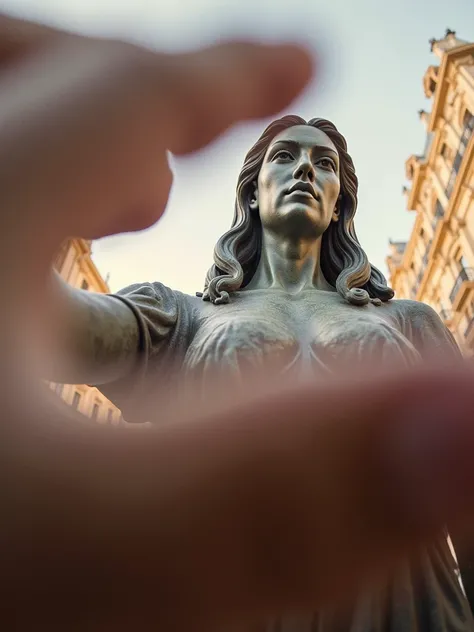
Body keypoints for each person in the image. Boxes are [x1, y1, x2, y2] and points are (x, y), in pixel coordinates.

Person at [3, 11, 474, 632]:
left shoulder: (411, 322)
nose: (308, 168)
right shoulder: (178, 318)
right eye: (286, 156)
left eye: (325, 164)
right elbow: (41, 322)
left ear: (339, 205)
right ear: (253, 190)